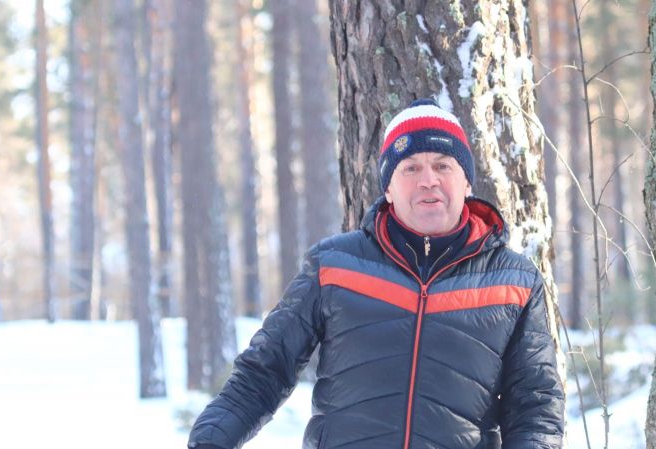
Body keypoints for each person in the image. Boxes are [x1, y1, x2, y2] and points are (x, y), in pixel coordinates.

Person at [188, 98, 565, 449]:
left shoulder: (514, 281)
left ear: (466, 182)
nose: (428, 180)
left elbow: (535, 407)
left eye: (443, 165)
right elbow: (264, 372)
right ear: (388, 188)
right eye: (410, 167)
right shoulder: (334, 266)